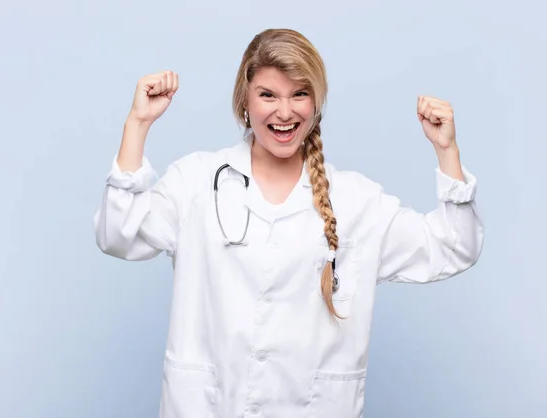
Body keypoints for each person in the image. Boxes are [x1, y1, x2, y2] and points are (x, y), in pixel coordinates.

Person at [93, 28, 484, 418]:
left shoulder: (356, 200)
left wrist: (446, 150)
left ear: (316, 104)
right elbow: (118, 236)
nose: (284, 112)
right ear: (244, 101)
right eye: (268, 95)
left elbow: (452, 248)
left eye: (299, 94)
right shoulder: (196, 181)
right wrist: (137, 125)